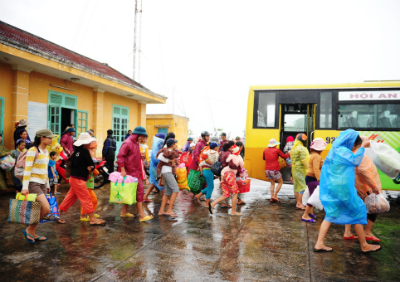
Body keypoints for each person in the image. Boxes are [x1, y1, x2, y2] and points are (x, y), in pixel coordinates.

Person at [314, 129, 382, 253]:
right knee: (358, 211)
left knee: (330, 214)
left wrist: (361, 142)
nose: (355, 148)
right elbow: (356, 161)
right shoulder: (343, 151)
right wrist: (362, 147)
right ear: (351, 143)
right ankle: (364, 245)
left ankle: (319, 243)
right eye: (355, 145)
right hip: (343, 189)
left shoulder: (335, 150)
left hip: (333, 188)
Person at [20, 129, 64, 244]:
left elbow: (44, 170)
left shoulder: (45, 151)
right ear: (42, 138)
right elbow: (27, 169)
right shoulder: (33, 150)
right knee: (46, 208)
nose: (52, 140)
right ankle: (29, 229)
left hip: (43, 183)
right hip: (33, 183)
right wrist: (24, 187)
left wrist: (48, 184)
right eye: (49, 138)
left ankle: (32, 232)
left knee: (38, 209)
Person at [59, 133, 105, 225]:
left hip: (73, 178)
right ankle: (92, 219)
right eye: (89, 142)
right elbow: (91, 165)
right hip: (79, 180)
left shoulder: (75, 152)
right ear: (84, 143)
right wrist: (91, 168)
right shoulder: (85, 152)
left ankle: (57, 215)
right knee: (86, 198)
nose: (90, 144)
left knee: (69, 198)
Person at [343, 136, 382, 242]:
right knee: (374, 208)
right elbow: (364, 171)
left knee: (351, 208)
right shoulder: (360, 155)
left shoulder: (349, 154)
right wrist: (373, 186)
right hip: (364, 188)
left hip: (353, 186)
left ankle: (347, 232)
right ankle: (367, 233)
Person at [117, 126, 153, 222]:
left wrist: (141, 157)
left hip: (136, 172)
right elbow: (120, 157)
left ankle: (124, 211)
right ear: (138, 135)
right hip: (129, 172)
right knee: (139, 191)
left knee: (132, 192)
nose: (142, 139)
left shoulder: (136, 143)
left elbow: (132, 156)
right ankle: (141, 215)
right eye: (142, 136)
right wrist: (123, 170)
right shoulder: (127, 143)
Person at [209, 145, 244, 216]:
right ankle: (233, 211)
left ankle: (213, 204)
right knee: (235, 193)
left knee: (227, 194)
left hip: (224, 175)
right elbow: (242, 166)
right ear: (238, 151)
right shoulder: (239, 157)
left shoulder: (230, 156)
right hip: (230, 176)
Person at [302, 138, 327, 223]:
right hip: (313, 178)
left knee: (312, 196)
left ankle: (310, 212)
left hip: (310, 178)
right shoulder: (317, 156)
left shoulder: (313, 155)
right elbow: (316, 169)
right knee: (314, 197)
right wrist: (319, 179)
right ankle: (305, 215)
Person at [157, 138, 180, 217]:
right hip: (167, 172)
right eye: (175, 144)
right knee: (176, 189)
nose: (176, 145)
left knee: (167, 192)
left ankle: (161, 210)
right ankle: (169, 210)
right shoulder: (166, 150)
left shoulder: (171, 152)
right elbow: (159, 157)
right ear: (173, 144)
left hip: (167, 171)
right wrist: (169, 161)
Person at [195, 142, 220, 208]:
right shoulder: (215, 153)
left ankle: (198, 195)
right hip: (208, 171)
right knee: (211, 187)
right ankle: (206, 204)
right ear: (215, 147)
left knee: (210, 186)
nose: (217, 148)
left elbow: (202, 156)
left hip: (205, 170)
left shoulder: (206, 152)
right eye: (217, 146)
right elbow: (216, 162)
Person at [143, 133, 166, 202]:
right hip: (156, 169)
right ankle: (166, 200)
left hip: (155, 168)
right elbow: (156, 160)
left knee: (154, 183)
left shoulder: (158, 147)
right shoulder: (158, 148)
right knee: (160, 183)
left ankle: (145, 196)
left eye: (157, 137)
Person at [290, 133, 309, 210]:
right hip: (301, 170)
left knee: (296, 187)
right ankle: (300, 203)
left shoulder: (293, 148)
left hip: (294, 170)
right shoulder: (302, 149)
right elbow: (304, 160)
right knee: (303, 187)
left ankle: (298, 203)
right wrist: (309, 168)